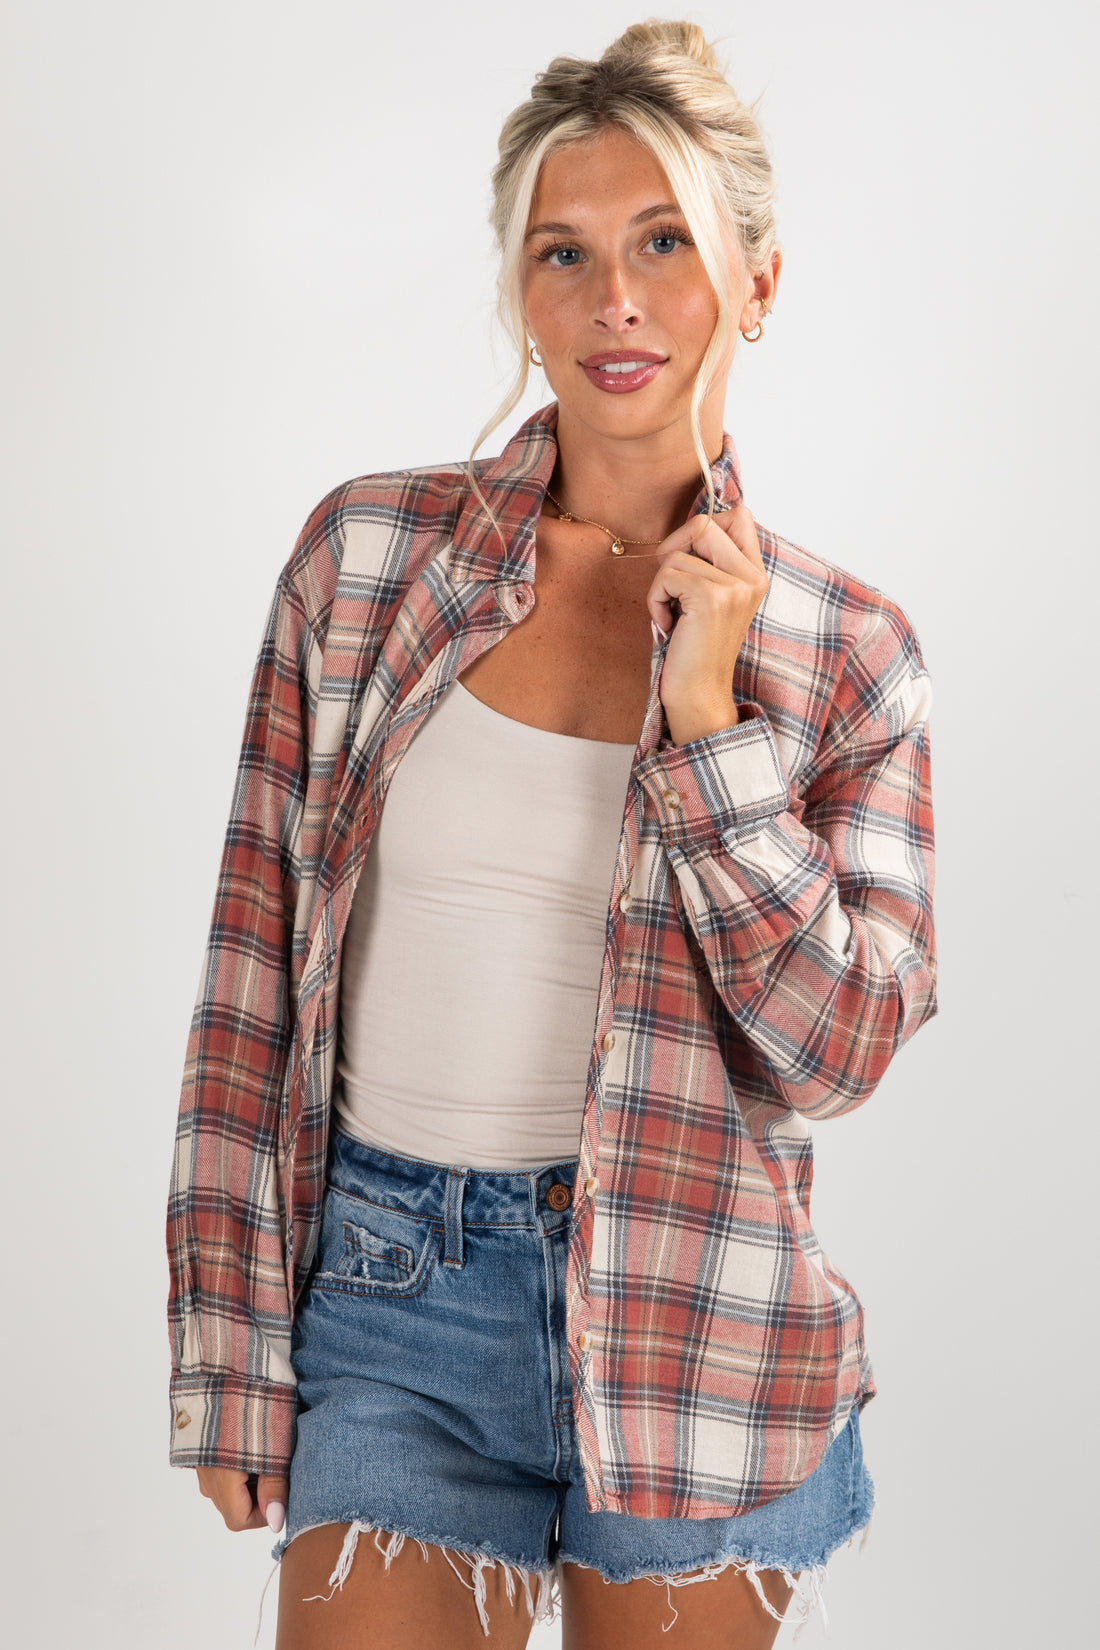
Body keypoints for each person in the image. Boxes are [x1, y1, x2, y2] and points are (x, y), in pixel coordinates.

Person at [165, 19, 938, 1650]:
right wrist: (228, 1339)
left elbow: (841, 1049)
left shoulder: (848, 652)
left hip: (696, 1308)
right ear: (519, 291)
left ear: (761, 280)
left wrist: (715, 719)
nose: (617, 300)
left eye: (665, 243)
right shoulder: (366, 563)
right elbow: (252, 978)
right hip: (389, 1294)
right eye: (564, 253)